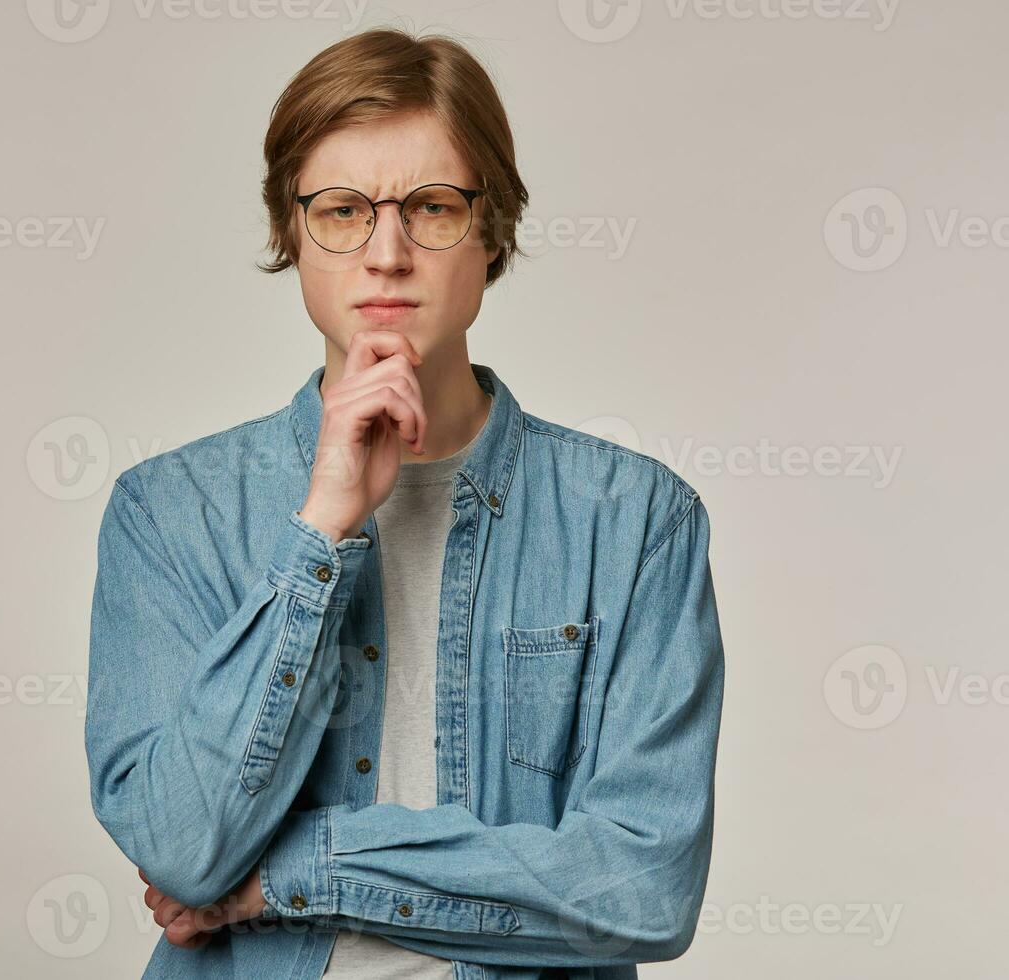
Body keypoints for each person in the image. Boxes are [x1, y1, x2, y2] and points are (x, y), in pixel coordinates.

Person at [84, 26, 725, 980]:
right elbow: (182, 847)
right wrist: (323, 531)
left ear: (494, 228)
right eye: (342, 210)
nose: (386, 253)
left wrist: (296, 873)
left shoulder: (634, 523)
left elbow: (644, 886)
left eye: (432, 207)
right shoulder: (170, 514)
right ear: (289, 233)